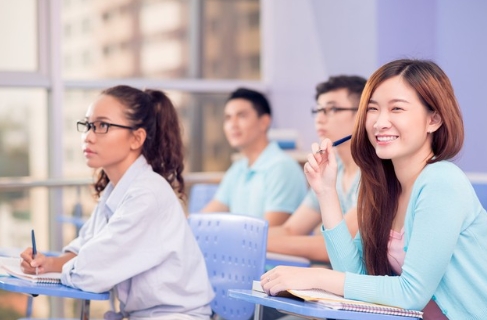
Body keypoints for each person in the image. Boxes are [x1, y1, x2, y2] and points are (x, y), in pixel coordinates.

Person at [261, 59, 487, 319]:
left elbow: (411, 293)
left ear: (433, 120)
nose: (380, 122)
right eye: (372, 110)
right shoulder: (381, 187)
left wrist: (317, 277)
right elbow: (355, 276)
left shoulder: (441, 181)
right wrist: (326, 192)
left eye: (397, 109)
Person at [20, 85, 214, 320]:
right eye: (88, 124)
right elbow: (84, 251)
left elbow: (89, 274)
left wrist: (65, 267)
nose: (88, 136)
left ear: (136, 138)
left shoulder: (147, 195)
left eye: (103, 125)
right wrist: (46, 263)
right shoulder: (117, 190)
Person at [267, 75, 365, 262]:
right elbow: (291, 230)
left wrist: (255, 242)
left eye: (332, 109)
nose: (319, 119)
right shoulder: (332, 170)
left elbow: (337, 246)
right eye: (318, 110)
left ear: (363, 114)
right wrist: (246, 236)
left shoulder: (376, 175)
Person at [201, 88, 307, 226]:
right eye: (227, 118)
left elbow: (267, 235)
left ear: (264, 122)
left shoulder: (282, 168)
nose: (233, 124)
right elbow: (205, 217)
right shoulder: (238, 169)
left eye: (241, 116)